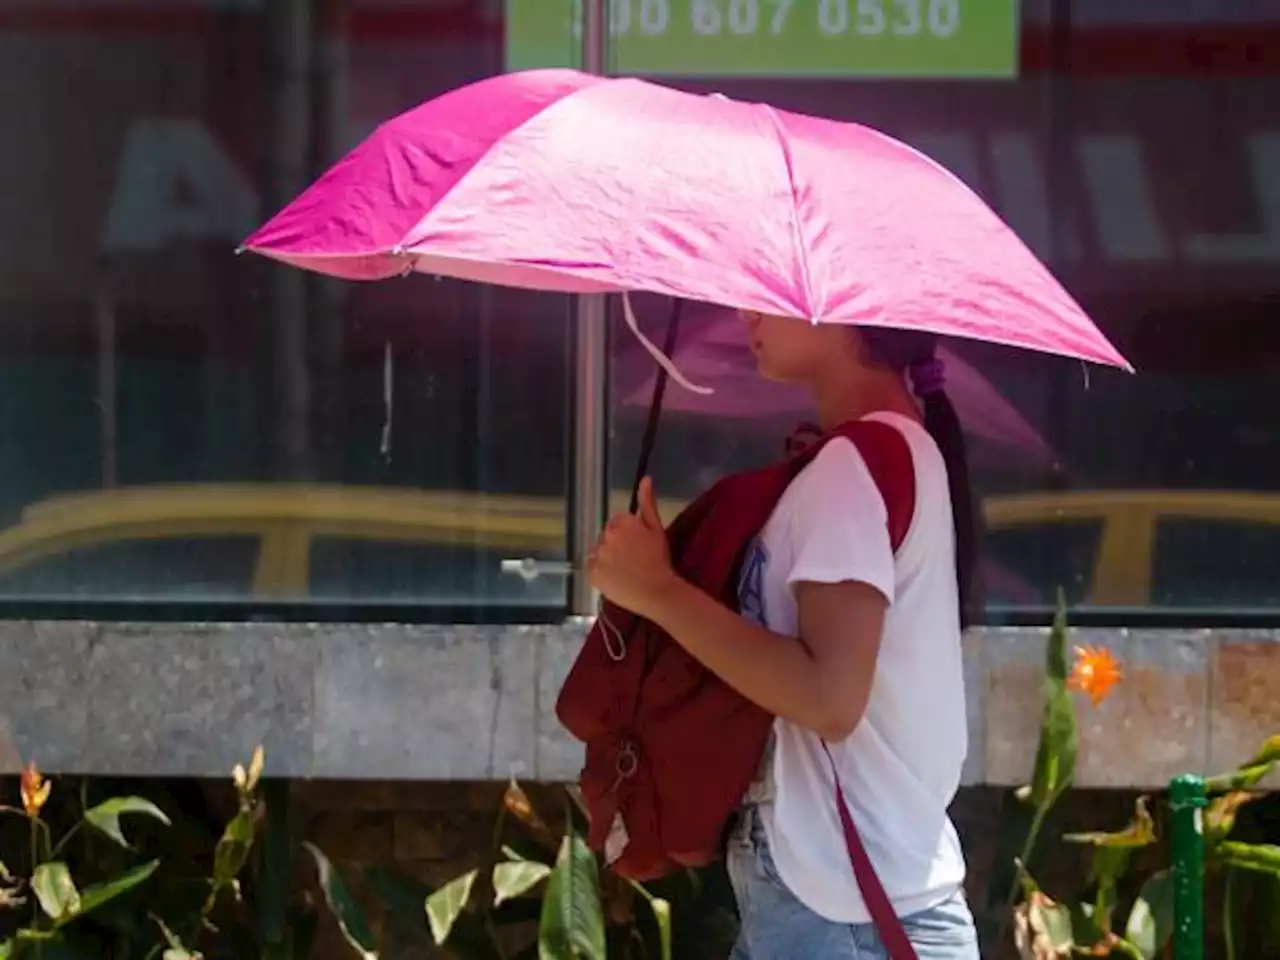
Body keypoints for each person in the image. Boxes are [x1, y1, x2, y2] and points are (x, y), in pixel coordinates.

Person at [586, 310, 981, 959]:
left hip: (842, 908)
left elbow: (829, 698)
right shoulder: (899, 450)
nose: (747, 312)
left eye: (776, 297)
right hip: (860, 895)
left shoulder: (853, 468)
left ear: (848, 314)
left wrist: (657, 592)